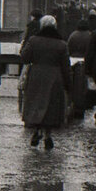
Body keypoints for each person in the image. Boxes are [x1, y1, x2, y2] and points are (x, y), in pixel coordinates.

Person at [20, 15, 71, 150]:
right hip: (55, 77)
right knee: (51, 106)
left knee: (36, 103)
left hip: (36, 75)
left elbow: (24, 58)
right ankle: (48, 134)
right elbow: (66, 66)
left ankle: (36, 131)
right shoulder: (61, 44)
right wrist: (68, 84)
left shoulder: (34, 40)